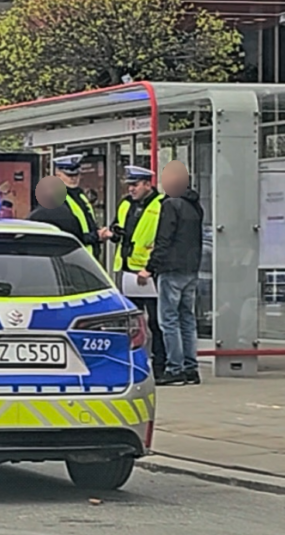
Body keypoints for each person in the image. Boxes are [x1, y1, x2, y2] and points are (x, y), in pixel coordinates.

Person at [143, 161, 204, 385]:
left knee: (168, 320)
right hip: (191, 268)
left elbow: (164, 239)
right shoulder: (194, 205)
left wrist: (150, 267)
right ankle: (191, 368)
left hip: (171, 269)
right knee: (187, 319)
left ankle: (174, 368)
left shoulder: (171, 204)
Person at [109, 165, 166, 380]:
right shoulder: (126, 204)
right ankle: (132, 363)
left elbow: (163, 238)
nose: (131, 189)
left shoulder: (161, 205)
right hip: (128, 271)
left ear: (147, 184)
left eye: (135, 185)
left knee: (156, 322)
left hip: (150, 273)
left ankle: (161, 364)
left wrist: (150, 267)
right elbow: (117, 229)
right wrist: (113, 233)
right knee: (131, 323)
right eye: (129, 185)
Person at [29, 155, 112, 257]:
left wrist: (99, 232)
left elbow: (86, 224)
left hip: (84, 257)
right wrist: (96, 236)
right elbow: (69, 233)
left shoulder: (80, 195)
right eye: (69, 175)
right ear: (58, 175)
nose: (73, 179)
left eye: (76, 175)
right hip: (71, 257)